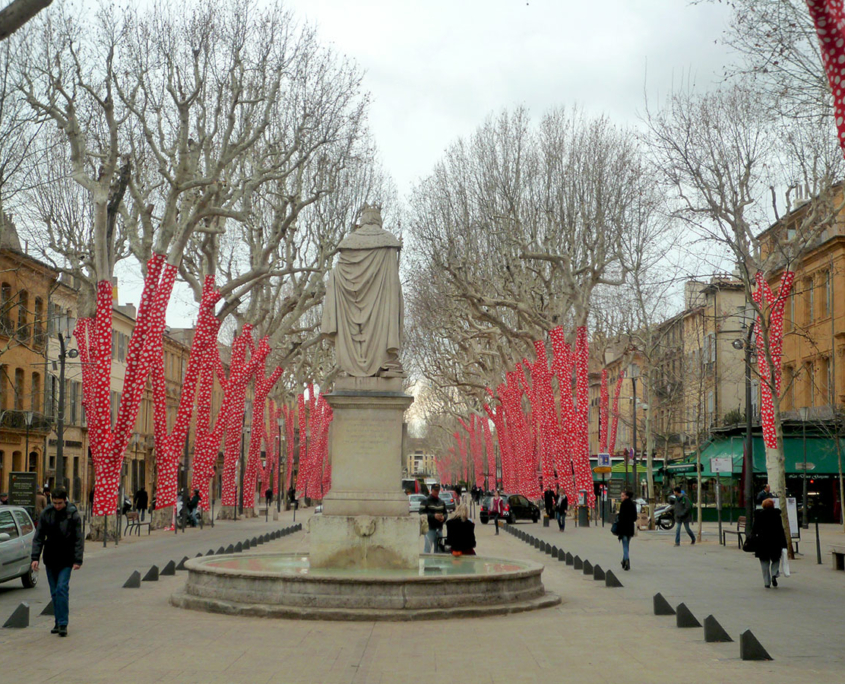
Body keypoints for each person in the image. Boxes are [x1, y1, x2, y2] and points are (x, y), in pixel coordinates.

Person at [30, 488, 83, 637]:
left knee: (61, 589)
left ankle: (63, 624)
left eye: (60, 503)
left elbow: (78, 538)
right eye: (55, 503)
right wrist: (35, 558)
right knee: (54, 592)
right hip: (51, 558)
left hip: (67, 558)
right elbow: (39, 536)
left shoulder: (72, 514)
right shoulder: (47, 513)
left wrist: (78, 559)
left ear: (65, 500)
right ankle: (57, 622)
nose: (57, 506)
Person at [751, 498, 788, 588]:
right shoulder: (777, 515)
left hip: (762, 542)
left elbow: (754, 529)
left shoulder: (759, 515)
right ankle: (774, 573)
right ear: (773, 506)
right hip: (775, 541)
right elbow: (780, 530)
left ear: (763, 506)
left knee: (764, 562)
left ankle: (767, 582)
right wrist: (784, 543)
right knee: (775, 559)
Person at [419, 483, 448, 553]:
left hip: (439, 529)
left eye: (438, 490)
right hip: (429, 529)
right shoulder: (425, 501)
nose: (437, 492)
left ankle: (437, 564)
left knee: (439, 550)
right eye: (435, 490)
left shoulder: (441, 502)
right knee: (427, 549)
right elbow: (422, 513)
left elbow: (445, 513)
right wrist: (433, 516)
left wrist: (444, 517)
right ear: (431, 490)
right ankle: (427, 564)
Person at [617, 490, 637, 571]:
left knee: (625, 546)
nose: (621, 497)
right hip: (630, 528)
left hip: (623, 528)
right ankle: (624, 560)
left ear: (627, 496)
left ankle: (627, 561)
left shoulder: (623, 504)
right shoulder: (633, 505)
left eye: (622, 496)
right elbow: (635, 518)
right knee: (626, 545)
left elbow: (620, 517)